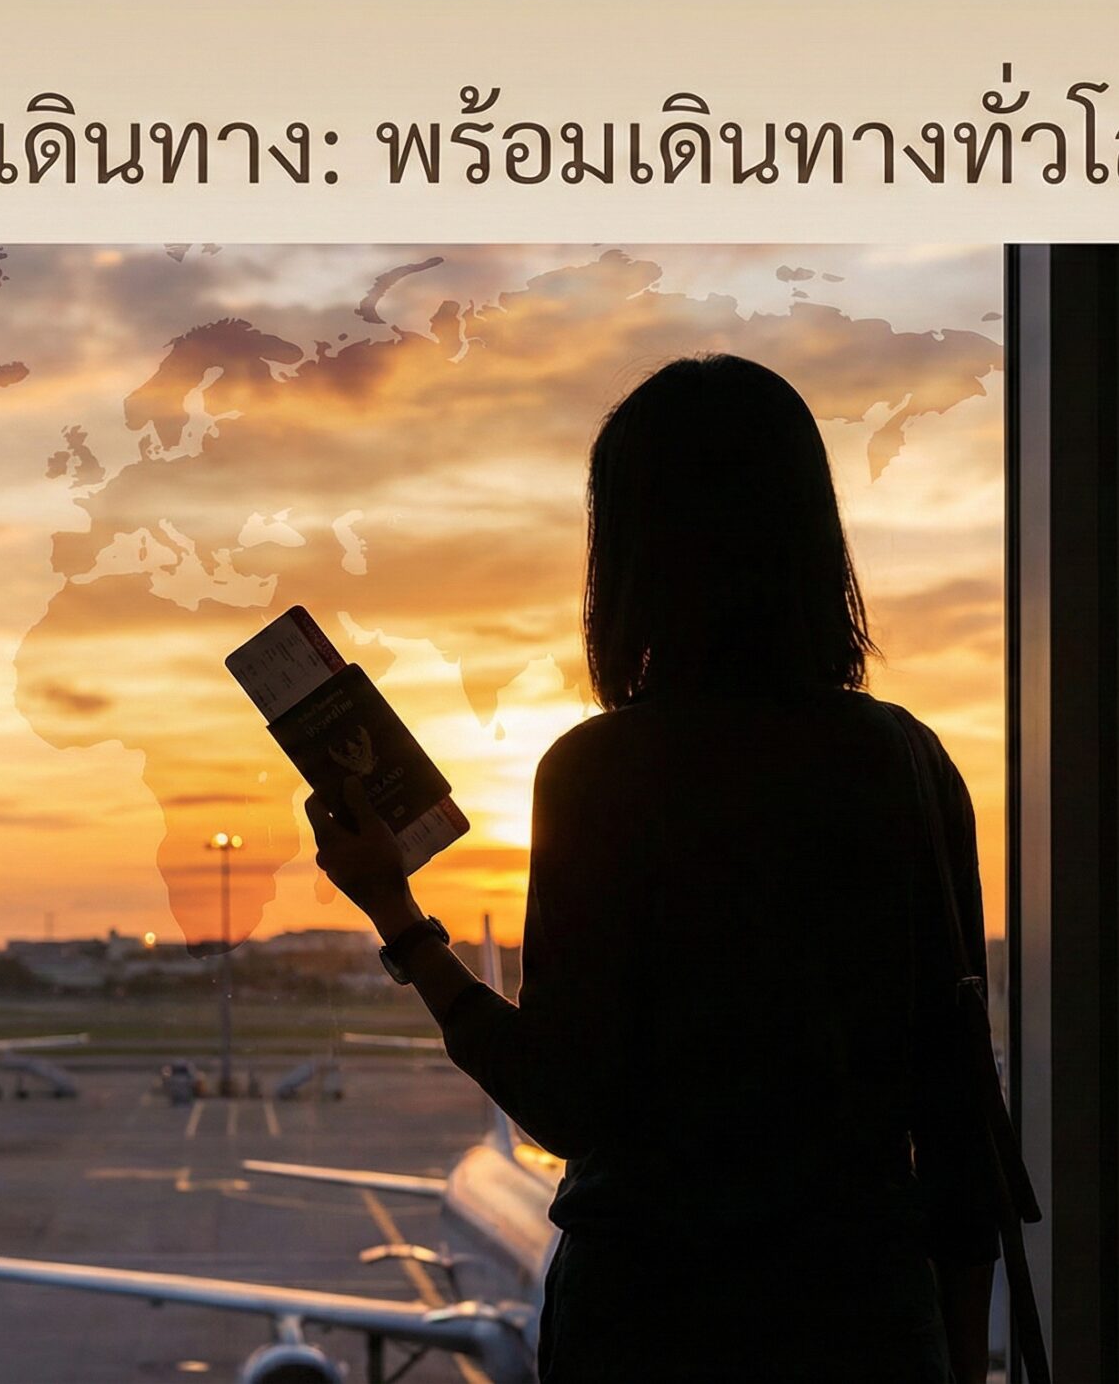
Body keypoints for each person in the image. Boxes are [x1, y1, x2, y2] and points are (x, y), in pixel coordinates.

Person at [306, 353, 1001, 1383]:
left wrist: (400, 918)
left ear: (629, 554)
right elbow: (958, 1124)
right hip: (860, 1311)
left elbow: (563, 1099)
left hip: (653, 1315)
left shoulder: (602, 772)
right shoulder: (907, 761)